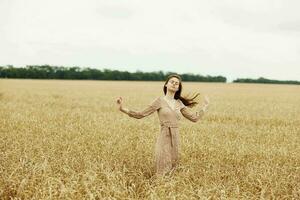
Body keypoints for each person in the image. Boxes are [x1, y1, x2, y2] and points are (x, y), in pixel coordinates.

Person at [116, 74, 210, 176]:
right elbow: (140, 114)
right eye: (172, 82)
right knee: (162, 165)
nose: (174, 84)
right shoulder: (159, 101)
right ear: (166, 85)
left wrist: (205, 106)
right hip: (164, 136)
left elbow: (194, 118)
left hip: (176, 137)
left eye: (176, 83)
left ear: (178, 88)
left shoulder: (179, 103)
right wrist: (122, 108)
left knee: (174, 166)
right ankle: (159, 185)